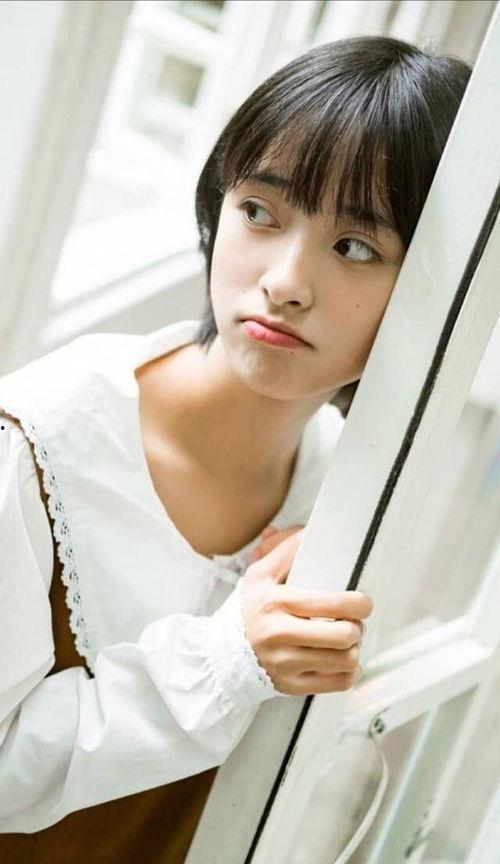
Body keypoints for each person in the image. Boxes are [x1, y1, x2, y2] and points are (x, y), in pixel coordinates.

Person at [0, 32, 471, 863]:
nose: (284, 282)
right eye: (259, 211)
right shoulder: (37, 446)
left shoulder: (342, 484)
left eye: (355, 247)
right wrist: (229, 658)